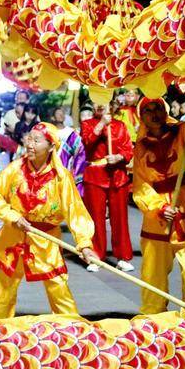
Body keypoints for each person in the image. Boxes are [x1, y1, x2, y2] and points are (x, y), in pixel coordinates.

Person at [0, 123, 98, 318]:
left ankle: (71, 327)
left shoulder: (61, 177)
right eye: (29, 138)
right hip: (13, 236)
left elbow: (75, 210)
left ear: (51, 146)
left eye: (36, 141)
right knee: (2, 287)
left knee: (58, 286)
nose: (30, 144)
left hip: (46, 240)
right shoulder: (15, 169)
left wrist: (84, 243)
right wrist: (13, 217)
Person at [133, 96, 185, 314]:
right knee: (153, 270)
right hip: (157, 216)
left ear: (166, 110)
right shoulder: (140, 148)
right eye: (148, 110)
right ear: (141, 117)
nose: (154, 114)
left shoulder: (184, 133)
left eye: (158, 108)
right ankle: (152, 315)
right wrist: (158, 207)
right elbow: (140, 185)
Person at [81, 102, 135, 272]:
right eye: (96, 101)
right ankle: (95, 256)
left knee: (120, 218)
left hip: (117, 175)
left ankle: (123, 256)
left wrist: (119, 157)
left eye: (103, 101)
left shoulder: (120, 125)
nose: (100, 105)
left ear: (111, 104)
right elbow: (88, 142)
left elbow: (128, 150)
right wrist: (102, 123)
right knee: (95, 218)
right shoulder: (87, 124)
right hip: (95, 175)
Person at [51, 106, 86, 196]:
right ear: (53, 117)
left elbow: (79, 150)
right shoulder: (50, 132)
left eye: (62, 113)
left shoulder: (71, 132)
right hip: (52, 166)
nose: (61, 115)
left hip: (67, 166)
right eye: (58, 113)